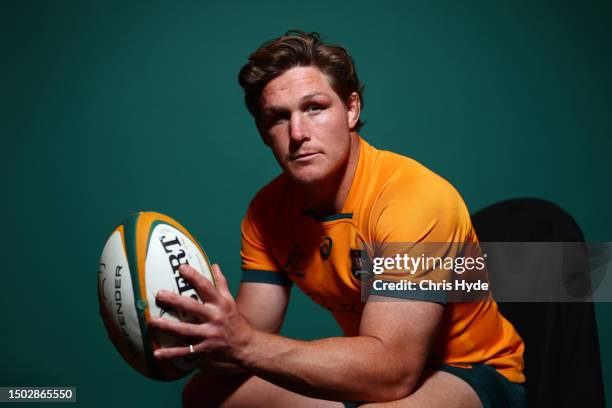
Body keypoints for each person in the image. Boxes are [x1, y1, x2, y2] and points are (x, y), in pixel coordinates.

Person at [149, 30, 526, 407]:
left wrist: (243, 343)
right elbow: (247, 340)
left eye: (314, 107)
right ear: (264, 132)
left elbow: (394, 371)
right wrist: (197, 332)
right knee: (205, 396)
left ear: (351, 110)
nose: (298, 133)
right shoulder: (267, 211)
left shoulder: (415, 199)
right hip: (376, 363)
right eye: (279, 117)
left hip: (470, 370)